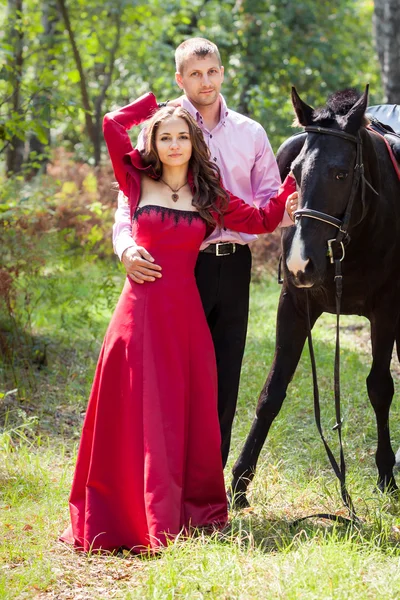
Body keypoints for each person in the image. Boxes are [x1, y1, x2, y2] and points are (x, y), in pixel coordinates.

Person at [60, 95, 297, 554]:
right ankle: (123, 514)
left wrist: (293, 185)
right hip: (137, 315)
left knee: (181, 412)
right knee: (131, 410)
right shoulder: (135, 180)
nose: (173, 145)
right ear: (153, 141)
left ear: (194, 144)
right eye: (165, 137)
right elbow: (111, 123)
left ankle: (182, 510)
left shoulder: (210, 196)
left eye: (181, 137)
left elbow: (265, 219)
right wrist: (154, 105)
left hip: (185, 319)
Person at [113, 37, 291, 468]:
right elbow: (128, 199)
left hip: (232, 266)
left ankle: (208, 482)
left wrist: (293, 204)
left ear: (222, 72)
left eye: (212, 71)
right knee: (174, 376)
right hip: (177, 265)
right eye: (195, 73)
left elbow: (270, 201)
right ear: (180, 77)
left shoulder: (251, 133)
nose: (205, 81)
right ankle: (164, 470)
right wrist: (125, 247)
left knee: (223, 375)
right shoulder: (162, 126)